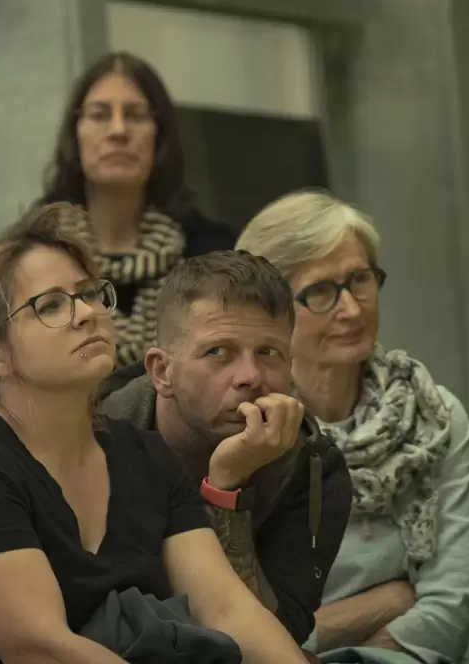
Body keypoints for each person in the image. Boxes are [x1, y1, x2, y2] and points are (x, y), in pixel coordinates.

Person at [0, 203, 309, 664]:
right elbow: (41, 649)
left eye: (89, 294)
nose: (87, 313)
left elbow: (228, 609)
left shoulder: (146, 458)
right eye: (50, 305)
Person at [238, 190, 469, 664]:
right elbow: (238, 627)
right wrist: (389, 600)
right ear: (269, 311)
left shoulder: (432, 416)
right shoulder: (247, 428)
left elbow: (451, 608)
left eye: (359, 279)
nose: (350, 309)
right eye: (320, 291)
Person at [98, 249, 353, 643]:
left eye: (268, 353)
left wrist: (229, 487)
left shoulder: (313, 467)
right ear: (162, 372)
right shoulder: (95, 440)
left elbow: (275, 638)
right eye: (218, 352)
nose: (250, 376)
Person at [38, 51, 235, 369]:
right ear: (75, 133)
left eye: (135, 115)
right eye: (100, 115)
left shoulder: (215, 258)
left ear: (160, 135)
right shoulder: (34, 256)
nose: (118, 130)